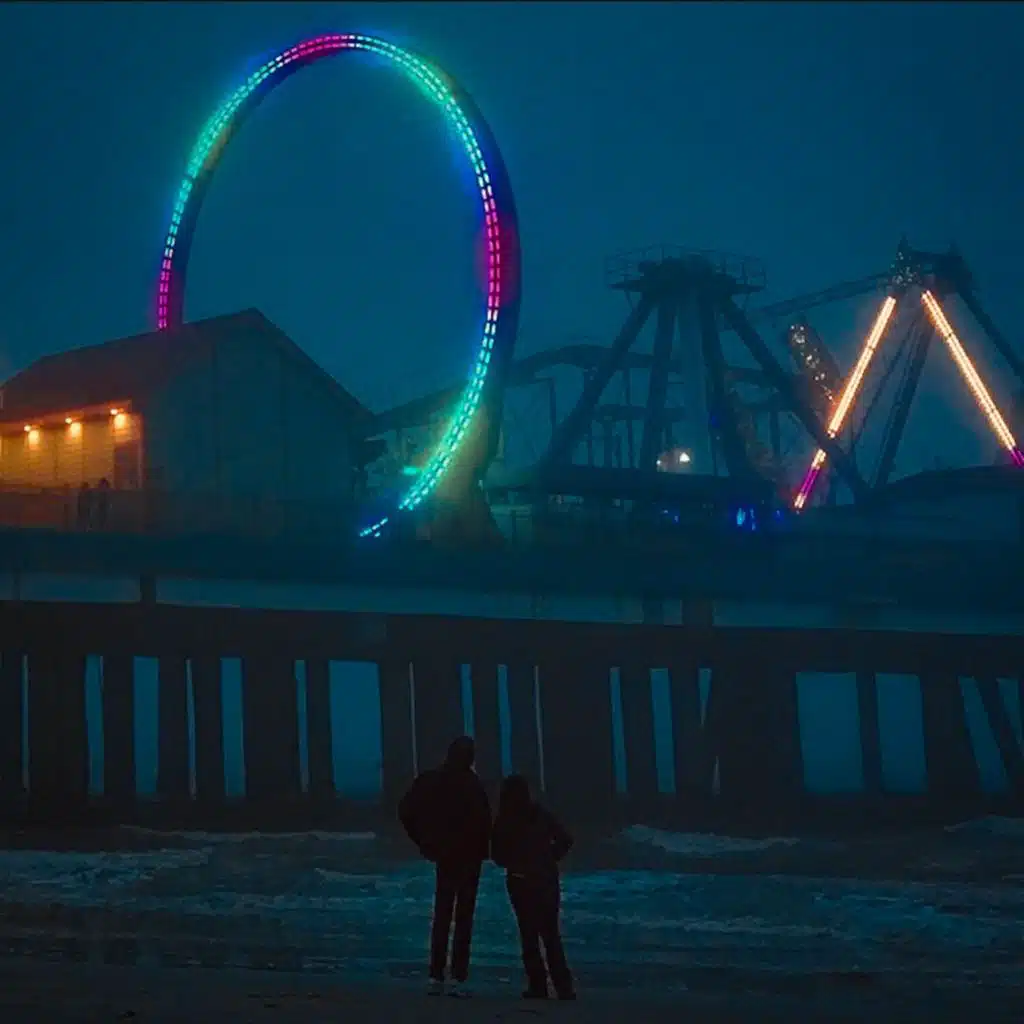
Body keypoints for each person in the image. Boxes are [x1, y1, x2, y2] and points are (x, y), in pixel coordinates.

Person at [398, 736, 491, 998]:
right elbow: (484, 821)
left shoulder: (432, 780)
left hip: (446, 854)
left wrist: (424, 842)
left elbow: (406, 811)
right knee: (463, 917)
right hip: (469, 856)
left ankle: (436, 974)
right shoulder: (472, 784)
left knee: (442, 915)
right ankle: (458, 975)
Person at [490, 774, 576, 1001]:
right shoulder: (540, 814)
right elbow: (566, 839)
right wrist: (550, 857)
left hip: (520, 880)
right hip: (546, 879)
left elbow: (496, 855)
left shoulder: (505, 820)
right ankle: (564, 987)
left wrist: (512, 861)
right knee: (551, 934)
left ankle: (538, 986)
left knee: (528, 935)